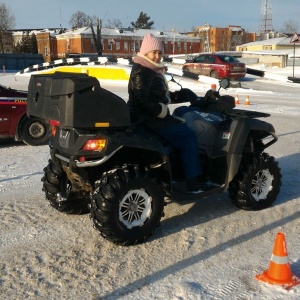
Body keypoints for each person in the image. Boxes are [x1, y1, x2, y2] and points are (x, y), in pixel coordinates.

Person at [127, 33, 210, 193]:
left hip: (149, 116)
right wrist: (160, 110)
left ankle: (178, 169)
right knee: (188, 136)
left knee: (180, 124)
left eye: (160, 53)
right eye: (154, 52)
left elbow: (156, 95)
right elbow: (140, 99)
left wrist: (183, 95)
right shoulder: (143, 70)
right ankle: (193, 181)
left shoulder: (150, 69)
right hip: (148, 118)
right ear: (145, 53)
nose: (157, 56)